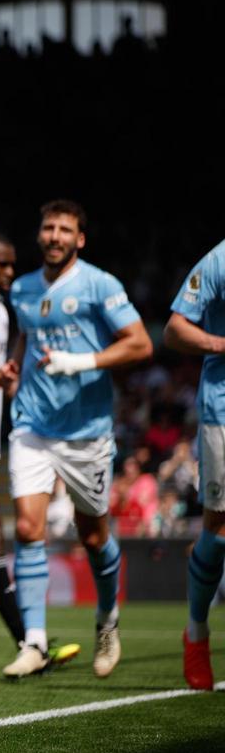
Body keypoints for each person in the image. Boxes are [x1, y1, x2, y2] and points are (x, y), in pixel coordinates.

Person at [0, 200, 152, 679]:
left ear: (79, 239)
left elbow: (141, 343)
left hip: (86, 431)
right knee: (28, 528)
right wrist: (14, 368)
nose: (55, 236)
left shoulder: (100, 285)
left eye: (65, 230)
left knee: (93, 536)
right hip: (32, 425)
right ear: (39, 234)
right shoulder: (22, 288)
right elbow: (25, 338)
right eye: (49, 228)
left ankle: (107, 619)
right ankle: (35, 643)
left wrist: (80, 362)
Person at [163, 237, 225, 690]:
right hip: (223, 407)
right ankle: (197, 631)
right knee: (219, 532)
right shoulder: (220, 260)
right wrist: (219, 343)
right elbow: (174, 330)